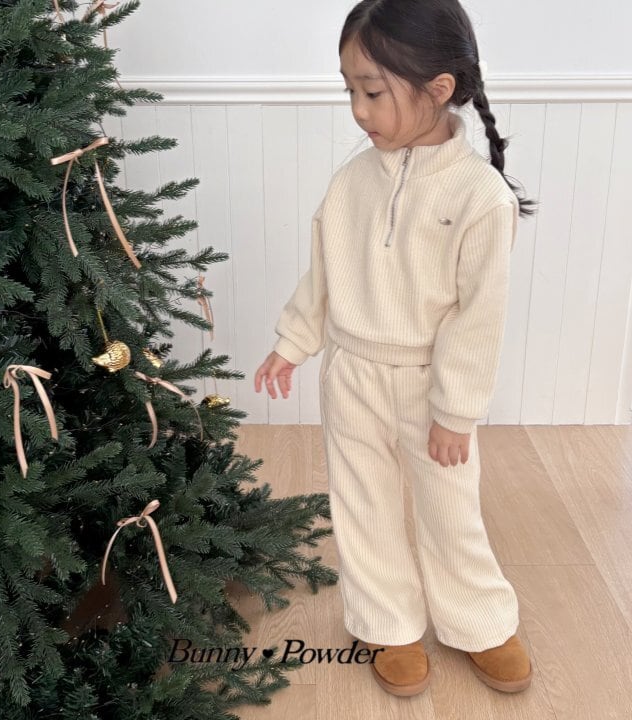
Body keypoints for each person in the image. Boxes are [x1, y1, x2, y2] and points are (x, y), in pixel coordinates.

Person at [254, 0, 539, 699]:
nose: (358, 110)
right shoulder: (352, 181)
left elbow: (478, 318)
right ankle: (387, 623)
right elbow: (324, 273)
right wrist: (293, 342)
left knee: (449, 510)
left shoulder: (480, 197)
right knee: (363, 504)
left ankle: (478, 620)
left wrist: (455, 411)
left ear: (439, 89)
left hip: (428, 384)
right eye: (349, 89)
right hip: (351, 373)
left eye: (373, 92)